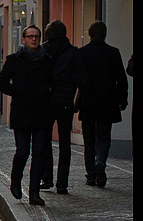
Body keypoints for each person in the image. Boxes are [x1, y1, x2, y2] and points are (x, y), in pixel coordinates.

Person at [0, 25, 54, 206]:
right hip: (21, 112)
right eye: (30, 36)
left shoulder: (47, 60)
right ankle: (16, 180)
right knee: (22, 151)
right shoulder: (14, 60)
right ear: (24, 40)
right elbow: (1, 82)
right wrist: (17, 91)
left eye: (36, 36)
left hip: (41, 113)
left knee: (39, 153)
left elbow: (54, 83)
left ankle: (34, 192)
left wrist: (48, 93)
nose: (34, 39)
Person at [76, 21, 128, 188]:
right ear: (104, 34)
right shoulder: (113, 53)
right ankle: (100, 162)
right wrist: (122, 99)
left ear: (90, 34)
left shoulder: (82, 53)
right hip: (108, 101)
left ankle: (91, 174)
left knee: (89, 139)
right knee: (104, 137)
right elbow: (121, 79)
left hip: (88, 101)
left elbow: (78, 78)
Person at [41, 20, 82, 194]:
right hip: (65, 101)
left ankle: (47, 177)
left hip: (46, 101)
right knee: (65, 143)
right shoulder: (74, 53)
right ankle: (62, 183)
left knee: (44, 140)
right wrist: (76, 101)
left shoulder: (42, 51)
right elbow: (80, 78)